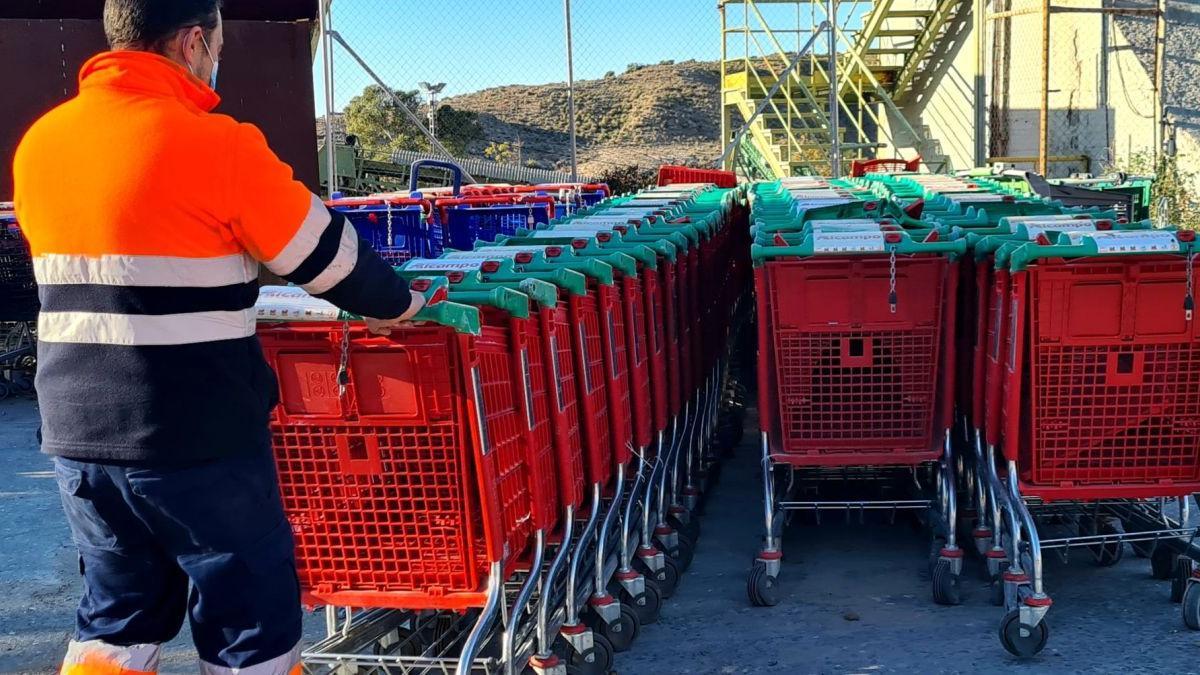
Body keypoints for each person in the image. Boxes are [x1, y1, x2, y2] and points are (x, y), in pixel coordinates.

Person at [11, 1, 423, 672]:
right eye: (218, 43)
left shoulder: (42, 144)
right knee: (250, 627)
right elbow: (326, 257)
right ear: (195, 41)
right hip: (197, 436)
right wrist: (399, 304)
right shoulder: (216, 143)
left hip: (77, 437)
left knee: (117, 621)